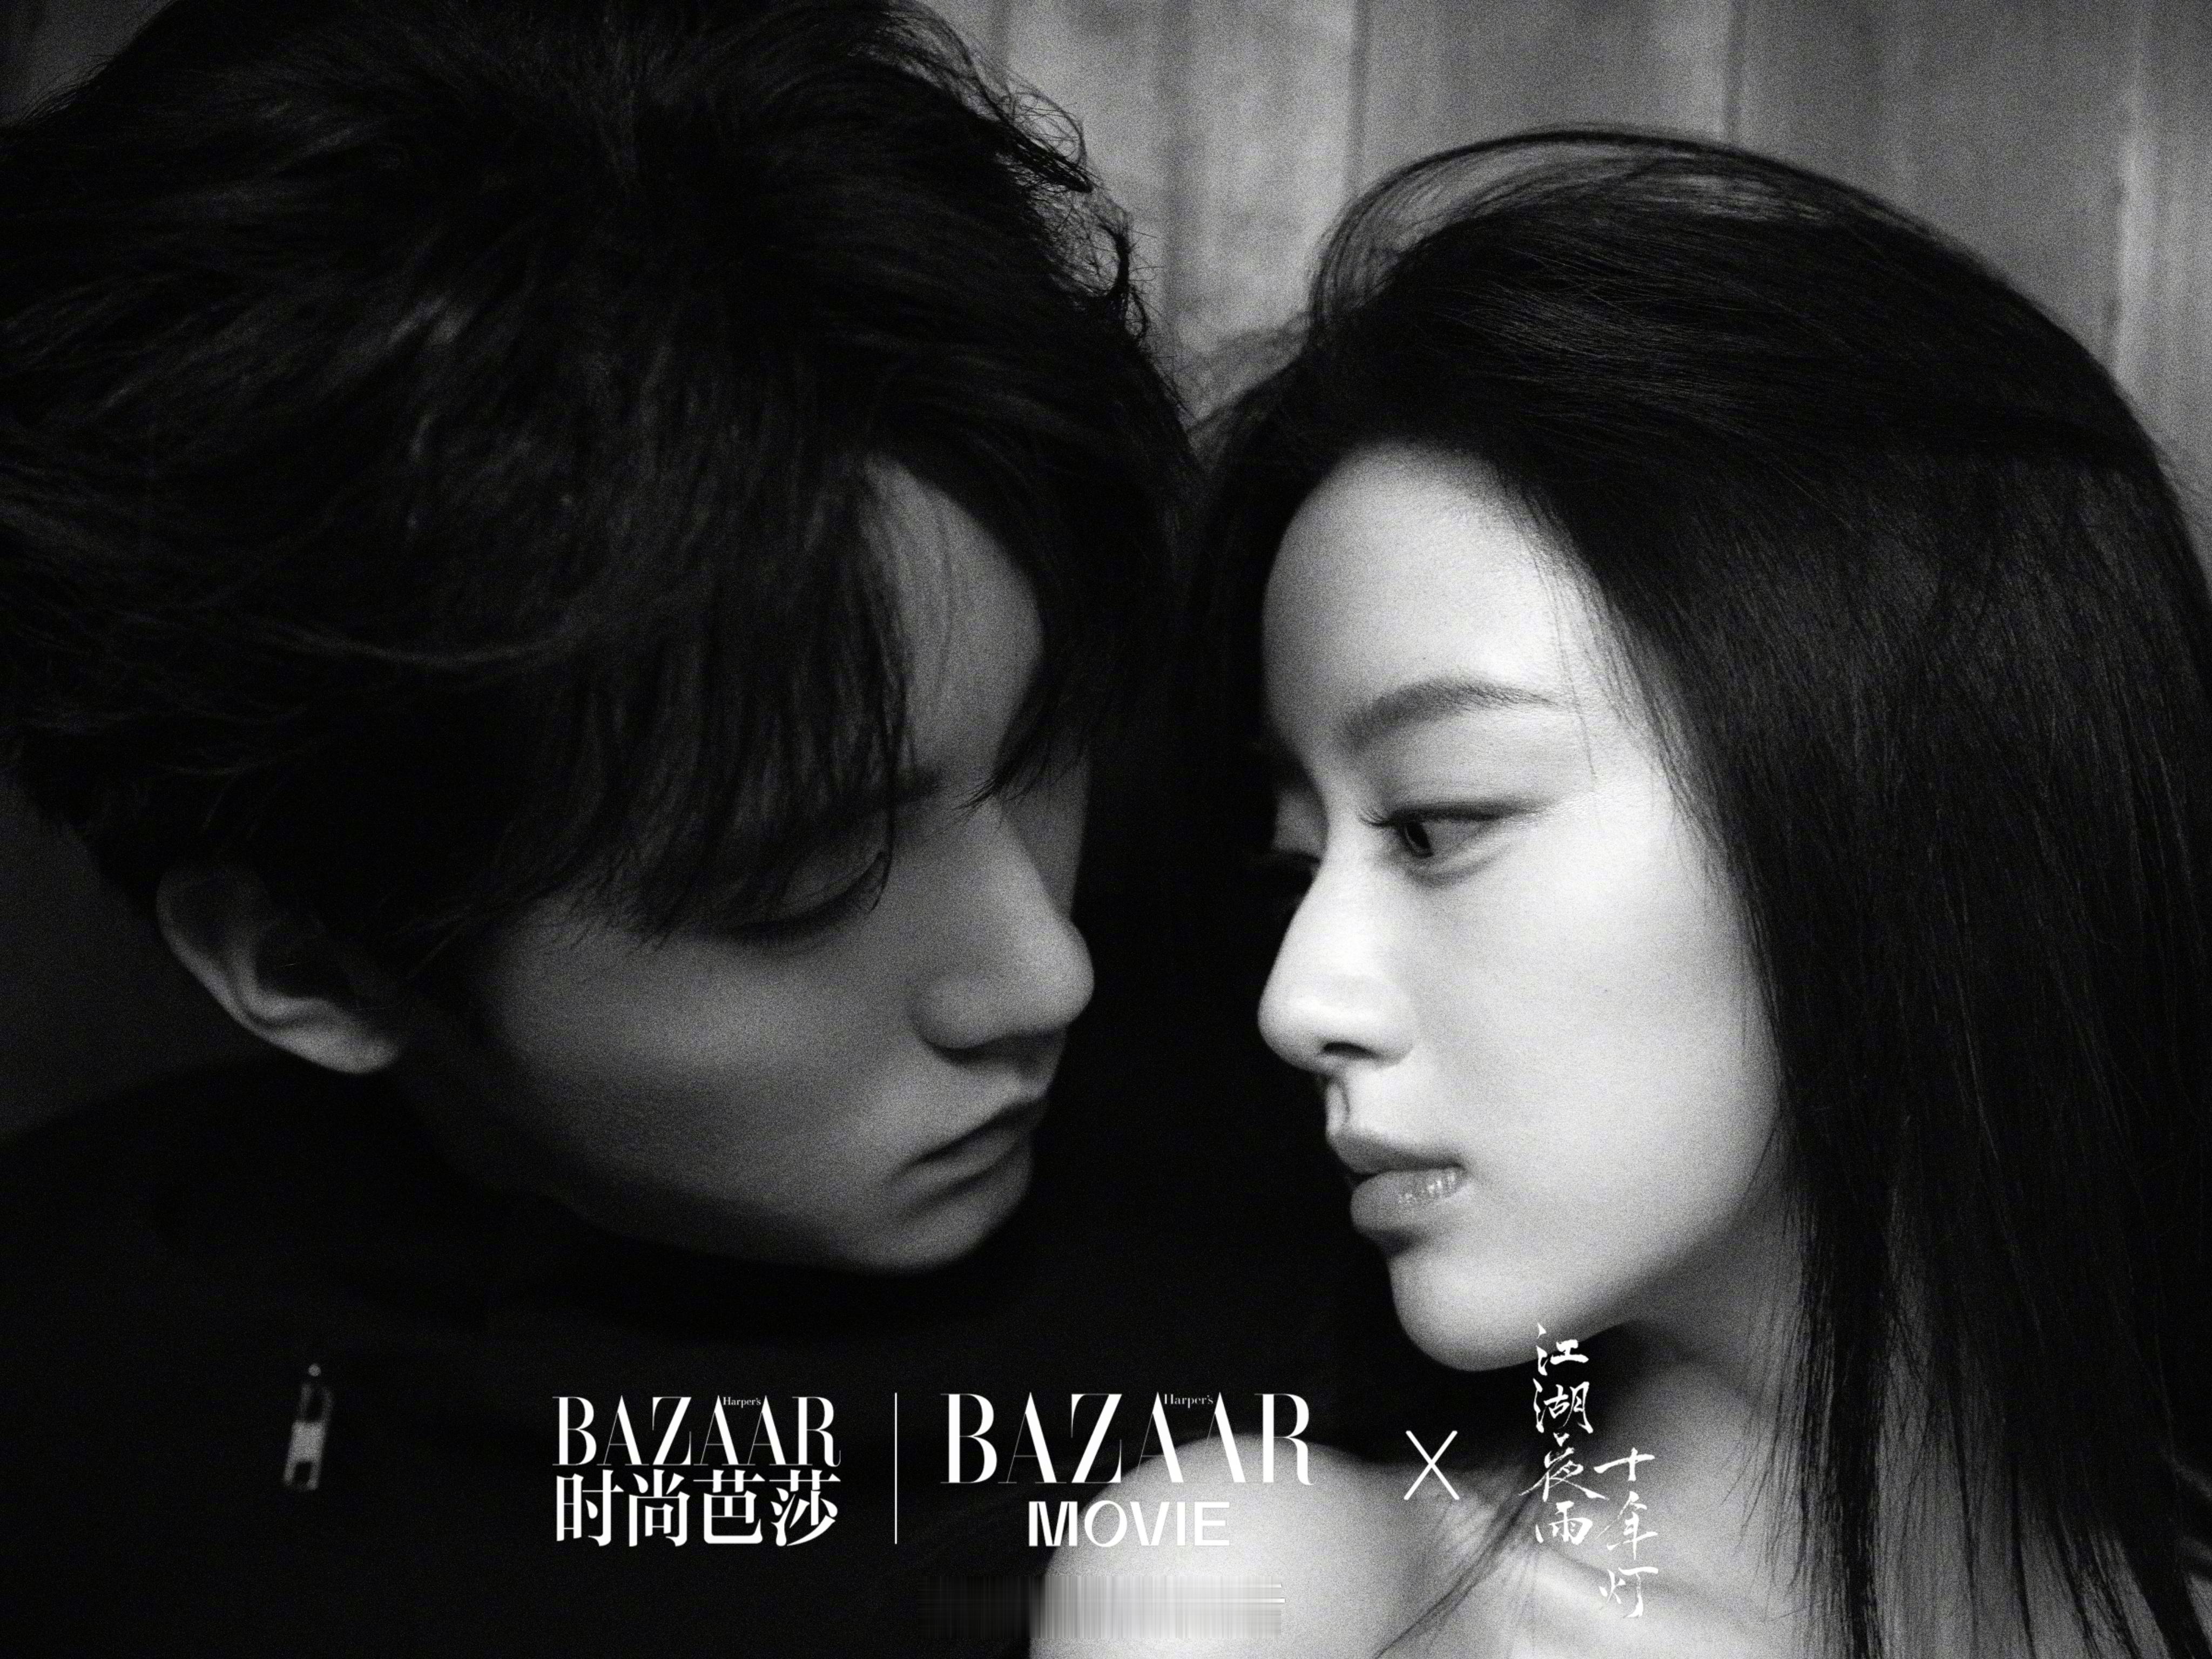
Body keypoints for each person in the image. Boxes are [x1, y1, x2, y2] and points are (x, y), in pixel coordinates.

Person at [0, 2, 1363, 1652]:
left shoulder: (1365, 1156)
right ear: (309, 966)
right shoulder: (93, 1447)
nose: (1041, 974)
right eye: (803, 891)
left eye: (1050, 744)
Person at [1041, 133, 2212, 1657]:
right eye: (1294, 863)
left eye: (1440, 821)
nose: (1298, 1000)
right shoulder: (1265, 1603)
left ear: (1911, 808)